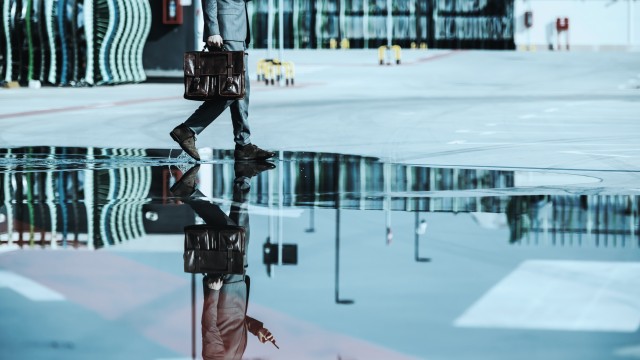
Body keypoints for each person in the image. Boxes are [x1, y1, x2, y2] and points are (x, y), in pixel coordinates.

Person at [171, 161, 277, 359]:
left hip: (224, 285)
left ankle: (188, 194)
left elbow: (209, 327)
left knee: (230, 231)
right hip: (237, 281)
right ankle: (244, 173)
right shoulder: (235, 357)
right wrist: (256, 329)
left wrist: (213, 291)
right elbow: (236, 321)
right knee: (241, 220)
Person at [170, 0, 275, 162]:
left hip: (237, 32)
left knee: (241, 91)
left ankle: (243, 144)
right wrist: (213, 30)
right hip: (226, 32)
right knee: (233, 89)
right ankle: (188, 130)